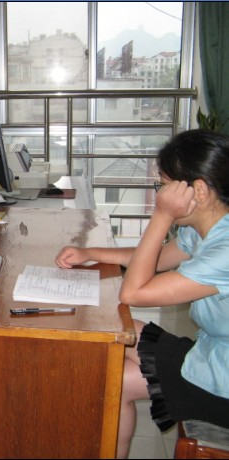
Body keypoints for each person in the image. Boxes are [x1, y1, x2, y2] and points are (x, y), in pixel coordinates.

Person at [54, 129, 229, 458]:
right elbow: (156, 259)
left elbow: (133, 292)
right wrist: (90, 252)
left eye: (164, 185)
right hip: (212, 356)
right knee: (111, 338)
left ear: (199, 191)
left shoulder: (225, 249)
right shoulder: (209, 228)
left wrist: (162, 215)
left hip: (223, 382)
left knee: (115, 377)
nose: (160, 193)